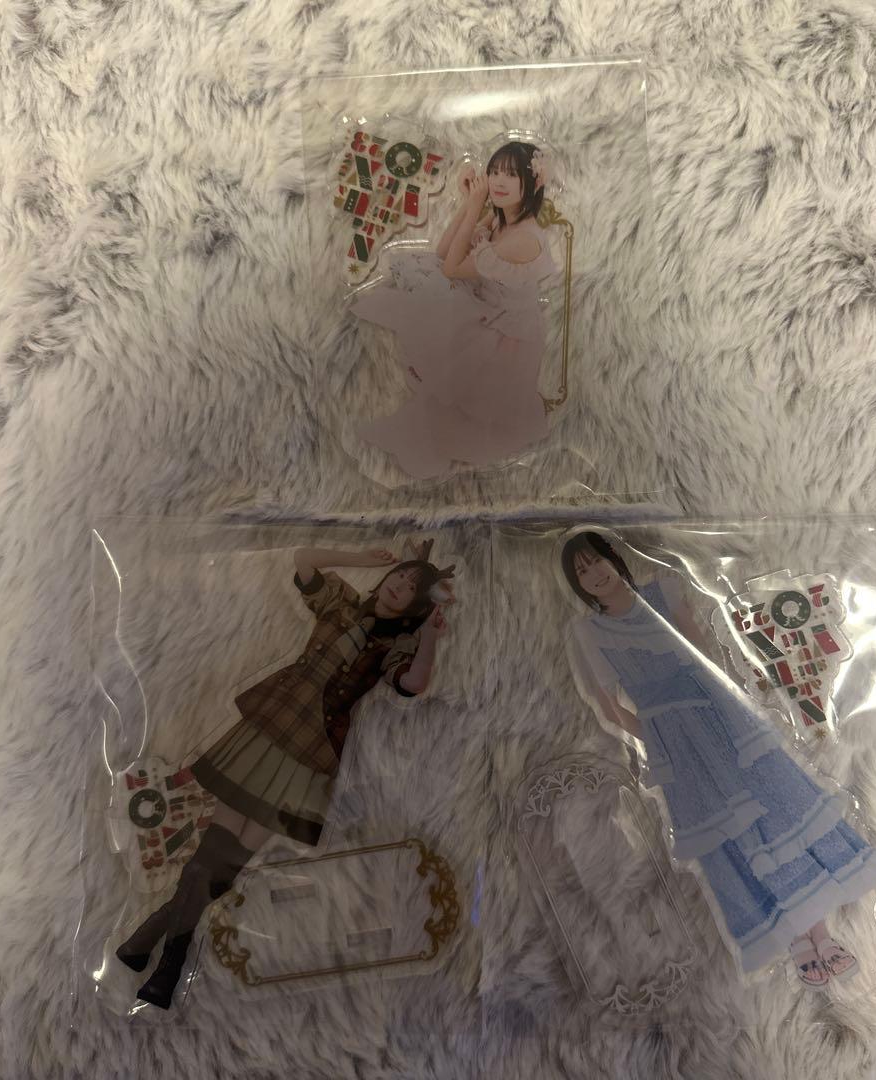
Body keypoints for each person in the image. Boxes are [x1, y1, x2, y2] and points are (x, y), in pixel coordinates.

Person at [115, 541, 454, 1009]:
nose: (401, 585)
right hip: (271, 727)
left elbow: (413, 683)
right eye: (402, 575)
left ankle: (150, 936)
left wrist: (431, 636)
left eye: (413, 587)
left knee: (226, 868)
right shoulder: (341, 604)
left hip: (311, 751)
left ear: (416, 603)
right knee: (207, 860)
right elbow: (304, 560)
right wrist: (366, 558)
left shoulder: (396, 643)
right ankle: (168, 966)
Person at [561, 531, 876, 990]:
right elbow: (610, 707)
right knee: (729, 836)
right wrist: (661, 738)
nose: (593, 574)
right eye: (580, 571)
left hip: (721, 718)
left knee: (775, 806)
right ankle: (794, 939)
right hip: (677, 745)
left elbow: (706, 656)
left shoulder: (663, 593)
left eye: (595, 561)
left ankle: (821, 934)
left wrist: (731, 706)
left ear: (613, 558)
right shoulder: (590, 632)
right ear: (577, 585)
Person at [351, 140, 557, 479]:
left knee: (462, 399)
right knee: (429, 293)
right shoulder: (502, 221)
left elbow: (452, 269)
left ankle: (432, 446)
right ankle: (421, 439)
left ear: (531, 182)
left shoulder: (522, 238)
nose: (498, 181)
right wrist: (468, 204)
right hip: (488, 312)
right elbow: (444, 252)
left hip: (507, 336)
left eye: (511, 174)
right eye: (494, 172)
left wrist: (475, 206)